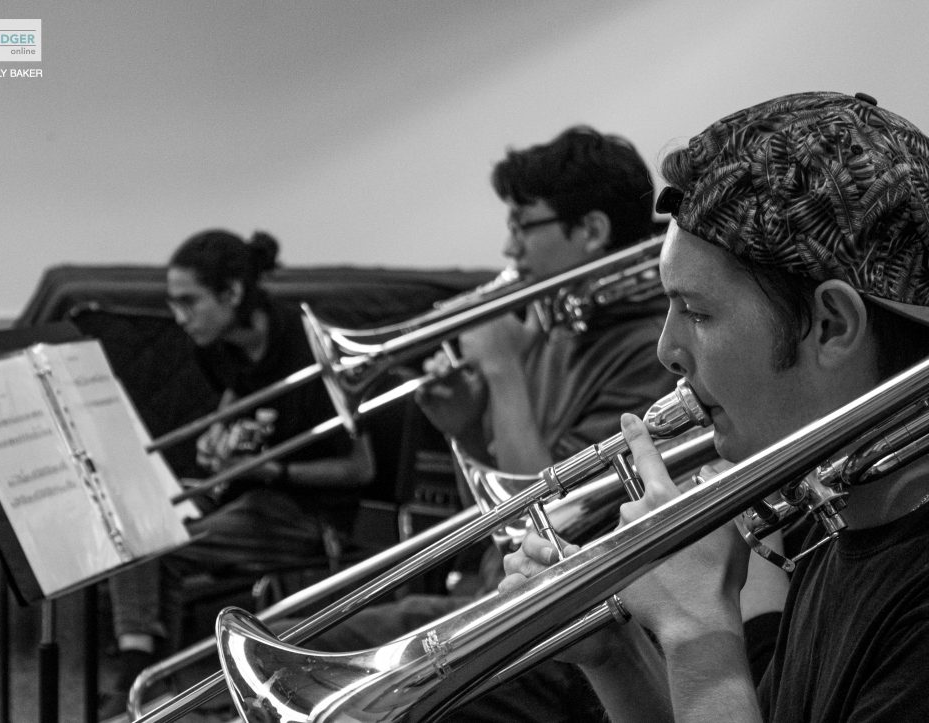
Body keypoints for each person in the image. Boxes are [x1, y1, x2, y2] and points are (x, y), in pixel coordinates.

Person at [501, 91, 929, 722]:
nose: (667, 350)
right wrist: (615, 655)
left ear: (832, 325)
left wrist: (693, 625)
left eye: (697, 312)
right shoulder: (839, 516)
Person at [296, 126, 682, 722]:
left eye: (523, 225)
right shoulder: (559, 329)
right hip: (500, 592)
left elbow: (553, 515)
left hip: (569, 633)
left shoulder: (651, 348)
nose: (509, 250)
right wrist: (467, 429)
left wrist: (503, 369)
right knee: (311, 645)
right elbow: (500, 506)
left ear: (591, 231)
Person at [100, 229, 375, 718]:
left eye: (189, 302)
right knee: (135, 521)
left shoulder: (305, 344)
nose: (179, 318)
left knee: (163, 546)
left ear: (231, 294)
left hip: (307, 514)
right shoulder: (219, 343)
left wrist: (273, 468)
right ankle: (151, 682)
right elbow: (238, 392)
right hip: (247, 495)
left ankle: (139, 677)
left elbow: (360, 468)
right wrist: (219, 429)